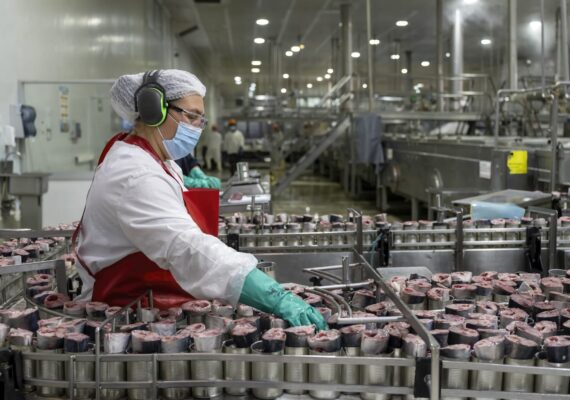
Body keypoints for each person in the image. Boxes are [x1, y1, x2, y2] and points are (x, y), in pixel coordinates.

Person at [74, 69, 326, 329]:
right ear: (154, 110)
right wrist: (276, 298)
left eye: (200, 120)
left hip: (150, 299)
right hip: (124, 312)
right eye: (191, 116)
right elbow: (189, 249)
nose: (196, 128)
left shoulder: (153, 158)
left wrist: (190, 182)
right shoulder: (135, 174)